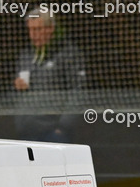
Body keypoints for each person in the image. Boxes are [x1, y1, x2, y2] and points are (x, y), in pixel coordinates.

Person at [13, 9, 86, 142]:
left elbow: (78, 92)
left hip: (54, 133)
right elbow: (14, 94)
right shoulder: (26, 55)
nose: (33, 35)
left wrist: (63, 127)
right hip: (26, 132)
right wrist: (16, 86)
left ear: (50, 28)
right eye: (30, 30)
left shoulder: (67, 54)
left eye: (38, 29)